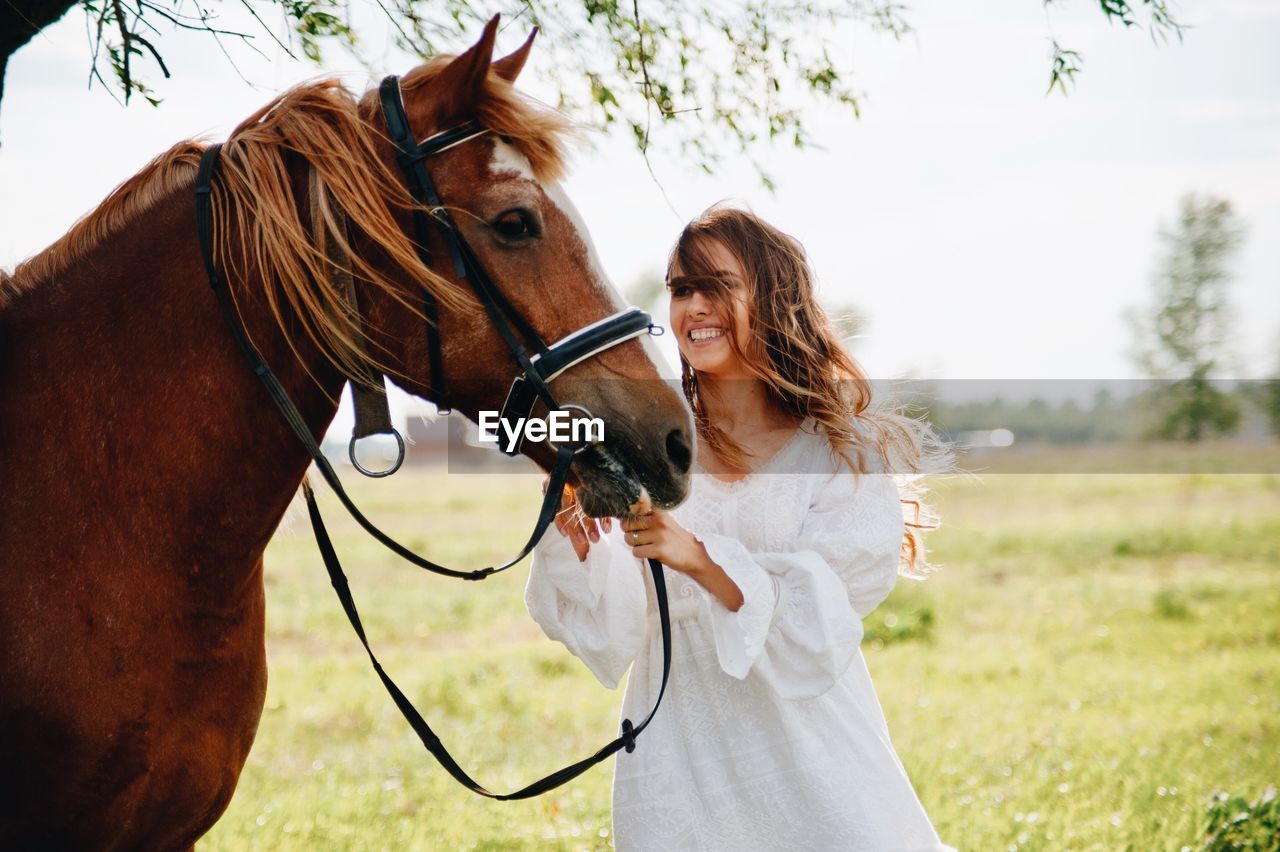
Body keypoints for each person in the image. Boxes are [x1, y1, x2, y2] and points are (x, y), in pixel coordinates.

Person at [525, 204, 957, 851]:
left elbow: (822, 620)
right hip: (679, 749)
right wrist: (578, 540)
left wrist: (698, 558)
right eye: (679, 289)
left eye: (716, 286)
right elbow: (615, 631)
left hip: (811, 753)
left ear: (772, 297)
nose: (693, 306)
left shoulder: (835, 453)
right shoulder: (648, 445)